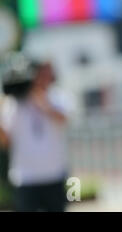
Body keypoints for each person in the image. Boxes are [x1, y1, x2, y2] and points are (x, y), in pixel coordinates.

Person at [0, 59, 71, 212]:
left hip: (55, 175)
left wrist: (39, 97)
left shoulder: (57, 96)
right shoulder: (15, 102)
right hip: (25, 178)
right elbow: (6, 141)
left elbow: (63, 120)